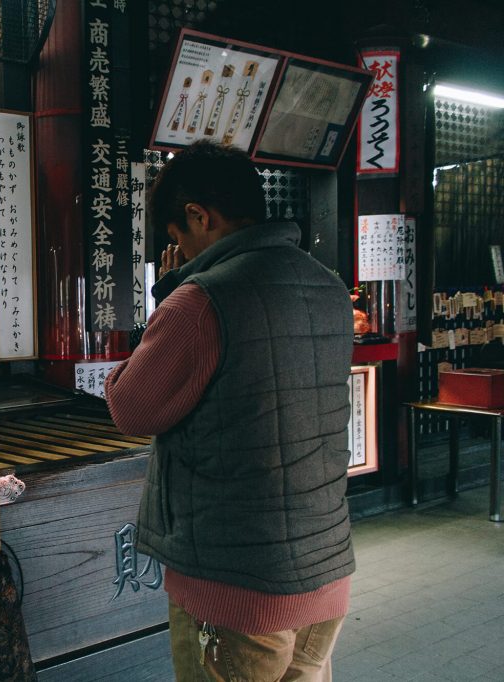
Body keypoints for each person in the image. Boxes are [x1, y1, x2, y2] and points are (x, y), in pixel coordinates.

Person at [104, 140, 355, 681]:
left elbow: (131, 407)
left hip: (235, 585)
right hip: (325, 569)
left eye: (179, 237)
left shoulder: (199, 300)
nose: (181, 252)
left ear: (199, 215)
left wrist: (170, 294)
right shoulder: (327, 287)